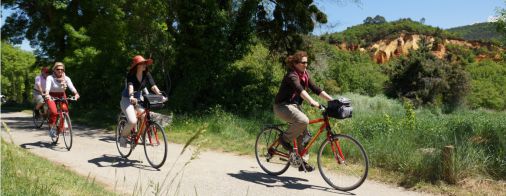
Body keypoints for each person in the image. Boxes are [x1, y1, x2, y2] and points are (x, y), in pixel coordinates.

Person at [273, 51, 333, 172]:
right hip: (282, 106)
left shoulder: (305, 74)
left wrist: (332, 100)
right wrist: (312, 102)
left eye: (307, 62)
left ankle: (302, 162)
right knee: (303, 120)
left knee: (305, 135)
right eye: (303, 62)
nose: (306, 64)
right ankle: (284, 139)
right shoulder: (292, 76)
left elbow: (316, 89)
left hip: (294, 106)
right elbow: (300, 90)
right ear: (295, 63)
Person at [119, 55, 165, 147]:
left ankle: (142, 136)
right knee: (132, 121)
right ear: (137, 65)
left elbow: (153, 86)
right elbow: (130, 86)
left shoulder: (146, 74)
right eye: (143, 63)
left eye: (145, 63)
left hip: (137, 99)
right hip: (127, 99)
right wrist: (131, 96)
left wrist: (160, 95)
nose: (145, 65)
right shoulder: (131, 75)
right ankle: (123, 137)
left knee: (144, 116)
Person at [44, 62, 80, 138]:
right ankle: (51, 127)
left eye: (62, 69)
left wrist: (76, 93)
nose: (60, 71)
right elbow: (47, 87)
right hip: (51, 95)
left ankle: (61, 128)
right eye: (58, 69)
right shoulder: (50, 77)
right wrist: (47, 94)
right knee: (54, 112)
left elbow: (71, 86)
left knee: (65, 109)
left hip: (61, 94)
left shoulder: (66, 78)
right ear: (54, 70)